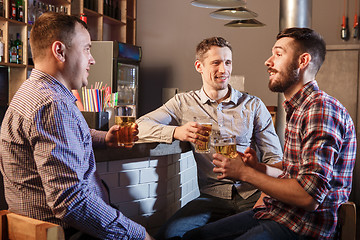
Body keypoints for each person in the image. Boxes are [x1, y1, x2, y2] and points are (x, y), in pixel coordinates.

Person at [182, 28, 357, 240]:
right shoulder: (300, 108)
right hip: (279, 213)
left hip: (302, 227)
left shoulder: (319, 110)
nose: (268, 61)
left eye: (278, 54)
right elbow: (296, 171)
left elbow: (308, 196)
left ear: (303, 61)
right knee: (192, 237)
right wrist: (259, 168)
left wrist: (245, 174)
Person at [0, 12, 153, 240]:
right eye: (87, 49)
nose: (92, 59)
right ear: (59, 51)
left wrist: (105, 138)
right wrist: (138, 235)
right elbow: (70, 201)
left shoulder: (32, 92)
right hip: (68, 233)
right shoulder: (52, 105)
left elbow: (60, 137)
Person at [136, 37, 283, 239]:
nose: (224, 70)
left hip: (253, 193)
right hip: (212, 197)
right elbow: (139, 126)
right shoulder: (183, 102)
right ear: (199, 66)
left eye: (228, 62)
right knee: (168, 234)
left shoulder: (253, 105)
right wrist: (176, 132)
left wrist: (266, 196)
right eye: (216, 62)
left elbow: (275, 159)